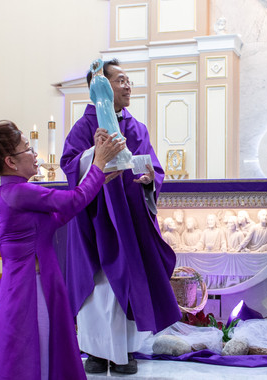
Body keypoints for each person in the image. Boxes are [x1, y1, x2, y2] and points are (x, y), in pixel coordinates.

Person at [0, 120, 124, 380]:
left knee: (41, 360)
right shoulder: (20, 193)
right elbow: (72, 200)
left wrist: (98, 179)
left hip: (28, 287)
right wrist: (98, 163)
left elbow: (56, 218)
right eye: (27, 148)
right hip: (31, 291)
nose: (35, 153)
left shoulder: (9, 194)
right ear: (11, 162)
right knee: (39, 361)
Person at [60, 58, 181, 375]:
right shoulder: (85, 126)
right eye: (120, 80)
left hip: (129, 220)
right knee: (99, 285)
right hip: (96, 217)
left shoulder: (136, 127)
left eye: (129, 80)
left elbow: (152, 166)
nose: (128, 86)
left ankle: (125, 351)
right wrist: (95, 156)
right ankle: (97, 353)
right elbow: (70, 163)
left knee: (127, 283)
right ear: (99, 86)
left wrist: (150, 178)